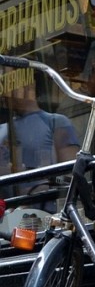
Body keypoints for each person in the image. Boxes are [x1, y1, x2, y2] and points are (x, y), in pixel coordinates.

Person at [0, 78, 81, 211]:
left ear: (27, 88)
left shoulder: (56, 122)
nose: (4, 93)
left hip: (46, 215)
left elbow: (72, 177)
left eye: (8, 85)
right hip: (6, 218)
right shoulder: (1, 129)